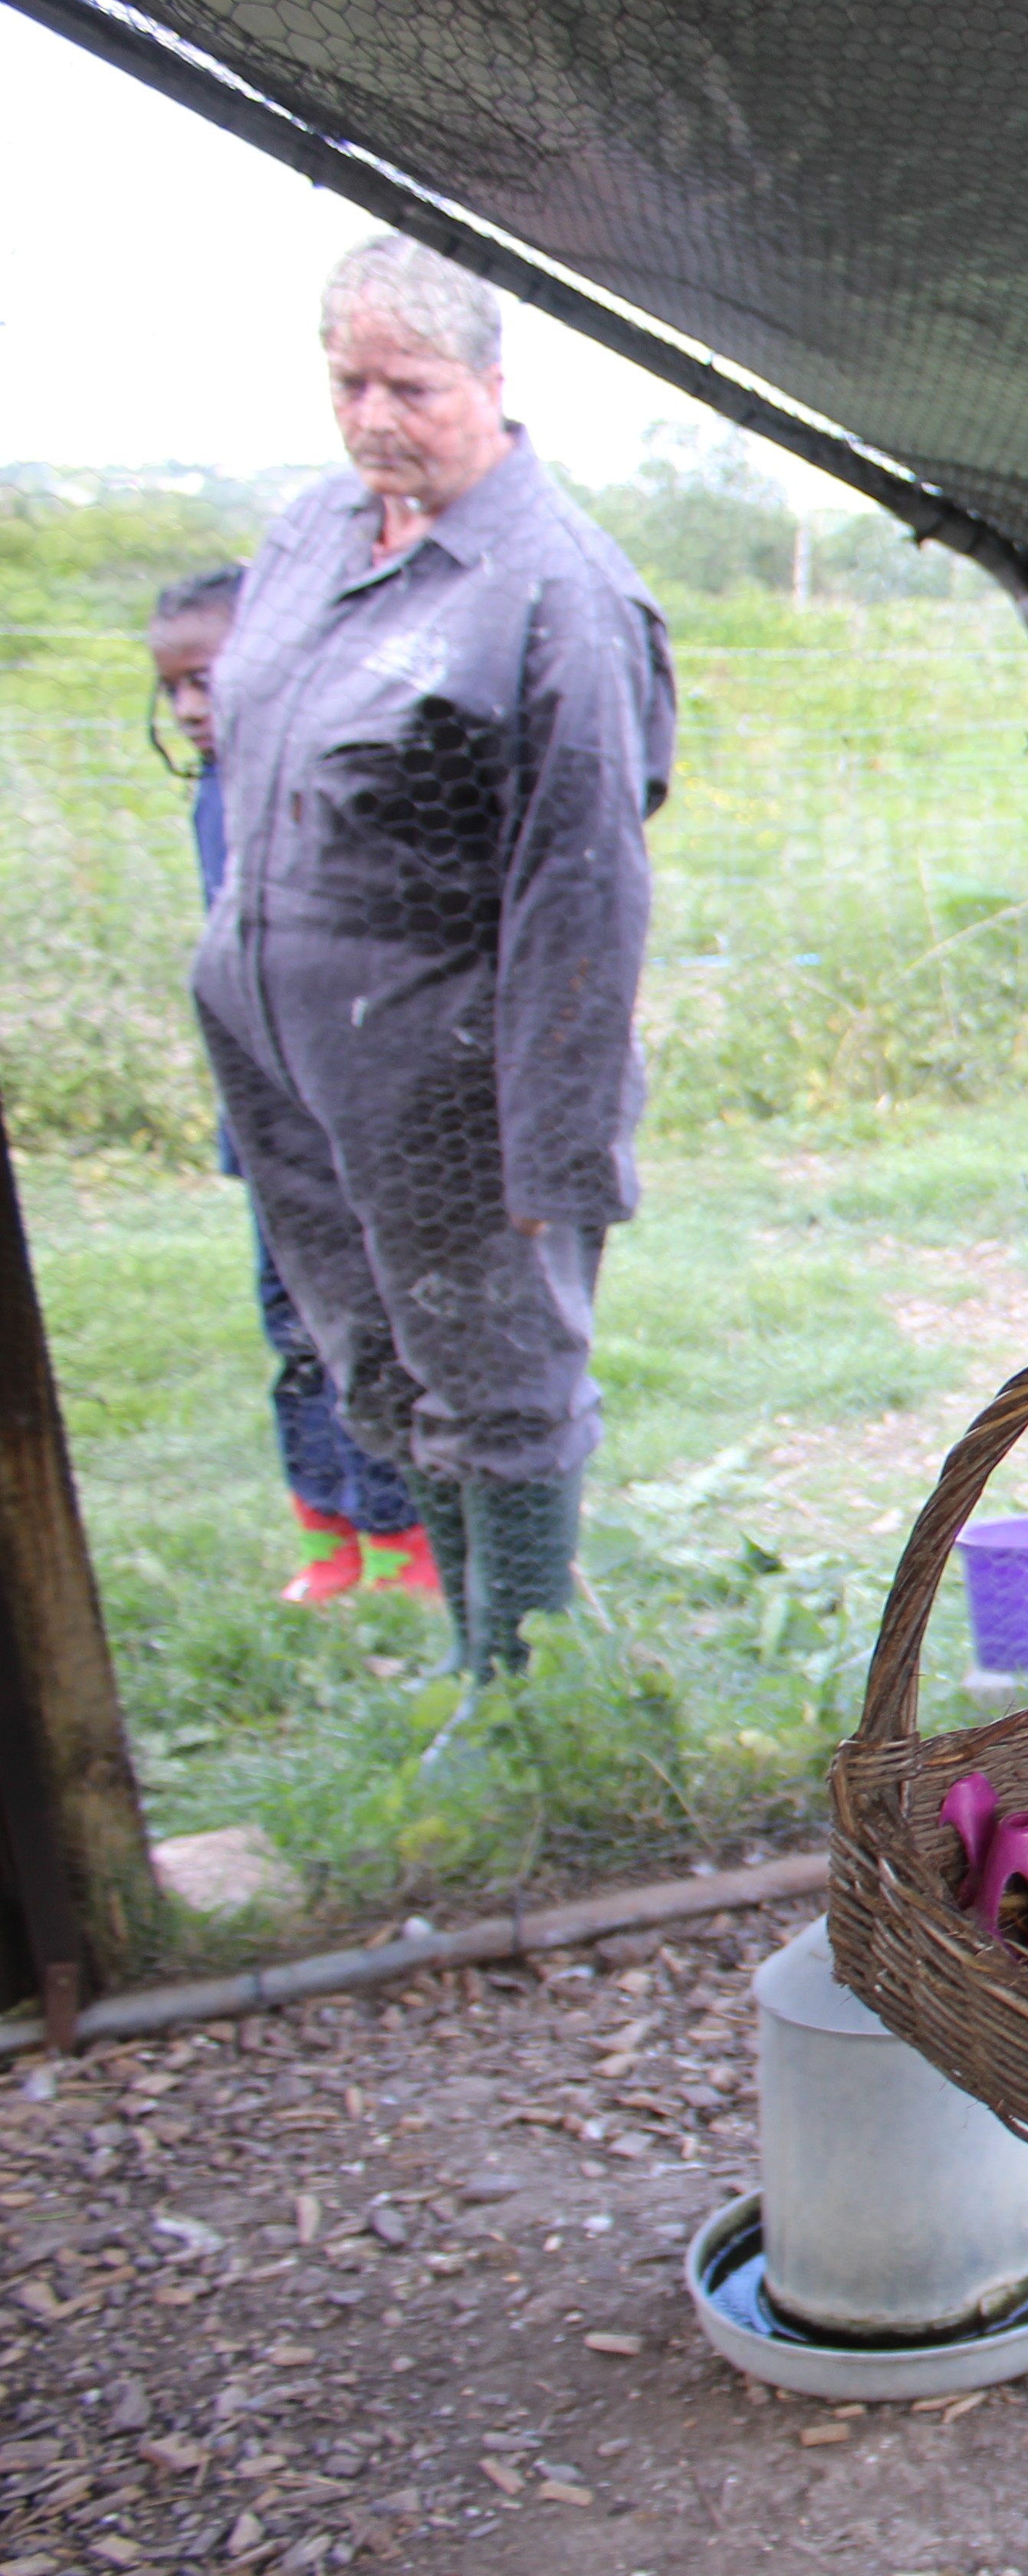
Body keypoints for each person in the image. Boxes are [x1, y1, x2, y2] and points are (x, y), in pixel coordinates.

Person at [193, 236, 675, 1682]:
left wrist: (556, 1148)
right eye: (348, 383)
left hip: (455, 1072)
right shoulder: (308, 538)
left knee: (501, 1374)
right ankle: (476, 1659)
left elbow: (586, 891)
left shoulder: (554, 590)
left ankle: (522, 1696)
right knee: (383, 1362)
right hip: (294, 1054)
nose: (374, 417)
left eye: (409, 384)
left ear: (492, 383)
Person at [153, 565, 442, 1607]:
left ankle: (407, 1536)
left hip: (357, 1121)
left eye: (209, 680)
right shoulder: (217, 794)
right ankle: (330, 1534)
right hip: (270, 1122)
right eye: (173, 687)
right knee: (295, 1329)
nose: (191, 708)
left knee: (381, 1331)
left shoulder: (330, 783)